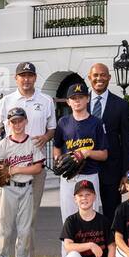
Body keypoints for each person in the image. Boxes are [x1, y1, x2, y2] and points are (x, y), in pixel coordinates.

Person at [0, 61, 56, 257]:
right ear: (16, 79)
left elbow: (52, 128)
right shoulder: (7, 101)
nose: (26, 79)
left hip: (33, 168)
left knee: (29, 221)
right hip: (7, 170)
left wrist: (46, 136)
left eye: (30, 75)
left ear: (35, 78)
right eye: (22, 75)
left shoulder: (45, 101)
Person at [0, 106, 44, 257]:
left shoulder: (32, 143)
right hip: (7, 190)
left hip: (26, 188)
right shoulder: (4, 143)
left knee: (25, 231)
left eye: (20, 120)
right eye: (13, 122)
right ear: (9, 124)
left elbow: (38, 168)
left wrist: (17, 169)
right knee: (4, 230)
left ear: (26, 121)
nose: (17, 124)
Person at [52, 82, 109, 234]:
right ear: (68, 102)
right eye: (74, 98)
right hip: (69, 178)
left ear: (88, 99)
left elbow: (104, 154)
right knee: (68, 219)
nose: (77, 101)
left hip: (90, 175)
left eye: (81, 97)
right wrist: (58, 159)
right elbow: (57, 146)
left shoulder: (96, 123)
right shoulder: (63, 122)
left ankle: (91, 256)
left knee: (91, 218)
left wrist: (87, 153)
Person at [88, 62, 129, 224]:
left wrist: (125, 173)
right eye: (95, 75)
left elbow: (127, 141)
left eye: (103, 75)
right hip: (85, 168)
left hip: (112, 170)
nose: (99, 78)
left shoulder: (121, 105)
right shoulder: (81, 103)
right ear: (89, 78)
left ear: (109, 78)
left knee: (112, 214)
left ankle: (112, 248)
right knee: (86, 213)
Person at [59, 179, 113, 257]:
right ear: (75, 199)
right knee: (71, 256)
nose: (84, 198)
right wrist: (90, 245)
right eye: (80, 195)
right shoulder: (71, 221)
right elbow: (67, 246)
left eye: (88, 194)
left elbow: (112, 247)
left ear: (94, 197)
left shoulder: (103, 221)